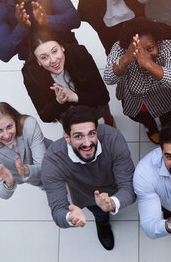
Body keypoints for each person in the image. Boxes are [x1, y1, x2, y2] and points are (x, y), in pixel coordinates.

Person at [41, 106, 135, 250]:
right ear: (67, 137)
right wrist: (69, 217)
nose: (87, 143)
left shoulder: (113, 139)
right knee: (99, 213)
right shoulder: (53, 160)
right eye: (78, 136)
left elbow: (129, 188)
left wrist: (113, 202)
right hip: (85, 195)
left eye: (91, 134)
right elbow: (58, 210)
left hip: (114, 185)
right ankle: (102, 224)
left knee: (111, 204)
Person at [103, 17, 171, 143]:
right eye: (138, 51)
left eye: (150, 48)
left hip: (163, 98)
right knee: (144, 119)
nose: (143, 56)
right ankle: (151, 128)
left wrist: (147, 63)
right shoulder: (119, 49)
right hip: (135, 102)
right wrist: (127, 58)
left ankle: (166, 123)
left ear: (157, 42)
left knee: (166, 115)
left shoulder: (167, 46)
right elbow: (108, 78)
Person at [22, 29, 113, 125]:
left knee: (102, 109)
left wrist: (74, 97)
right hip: (63, 108)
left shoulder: (79, 53)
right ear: (38, 61)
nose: (53, 60)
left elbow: (103, 97)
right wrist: (59, 101)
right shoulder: (30, 74)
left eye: (54, 51)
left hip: (87, 97)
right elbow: (45, 116)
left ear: (62, 47)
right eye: (44, 57)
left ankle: (108, 119)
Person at [0, 102, 52, 199]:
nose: (7, 135)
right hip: (37, 180)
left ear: (15, 121)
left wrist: (26, 170)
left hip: (55, 158)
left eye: (9, 127)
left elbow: (44, 167)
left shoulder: (29, 125)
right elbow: (2, 193)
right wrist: (8, 183)